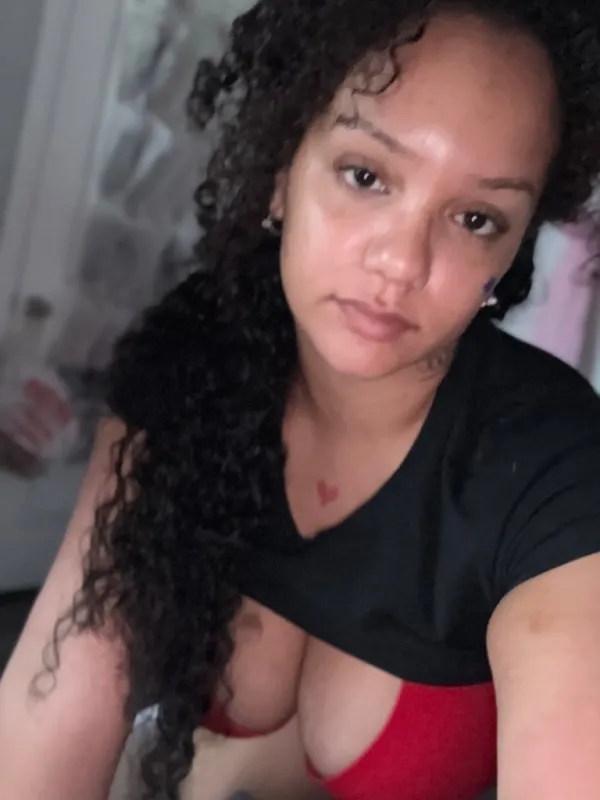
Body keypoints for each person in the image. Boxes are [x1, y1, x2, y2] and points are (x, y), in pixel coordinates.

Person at [2, 1, 600, 798]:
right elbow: (53, 701)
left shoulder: (557, 467)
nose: (401, 262)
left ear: (514, 246)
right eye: (366, 175)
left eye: (474, 218)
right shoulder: (197, 353)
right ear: (284, 170)